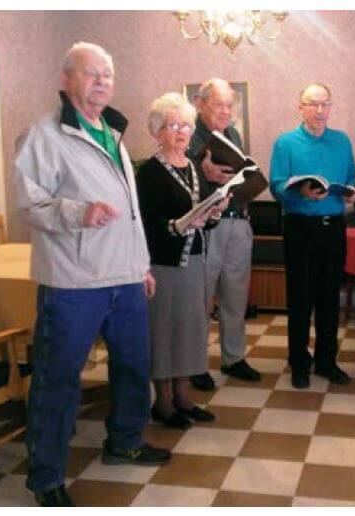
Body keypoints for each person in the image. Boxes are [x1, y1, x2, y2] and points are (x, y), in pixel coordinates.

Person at [14, 42, 170, 507]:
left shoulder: (112, 132)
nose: (101, 81)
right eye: (90, 73)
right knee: (58, 379)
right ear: (66, 80)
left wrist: (140, 264)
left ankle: (124, 440)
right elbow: (29, 203)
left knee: (133, 367)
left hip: (124, 277)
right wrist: (78, 213)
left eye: (108, 74)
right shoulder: (42, 134)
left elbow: (134, 213)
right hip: (72, 281)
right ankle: (45, 476)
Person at [137, 93, 225, 429]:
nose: (181, 132)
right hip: (164, 265)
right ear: (157, 132)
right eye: (172, 126)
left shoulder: (192, 167)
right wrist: (177, 225)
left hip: (196, 263)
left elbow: (201, 213)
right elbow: (146, 222)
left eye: (185, 126)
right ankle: (164, 402)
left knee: (191, 330)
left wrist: (213, 212)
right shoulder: (149, 172)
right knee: (164, 332)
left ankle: (185, 397)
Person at [269, 83, 355, 389]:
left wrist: (350, 193)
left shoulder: (342, 141)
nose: (320, 110)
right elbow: (277, 186)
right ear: (301, 107)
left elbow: (351, 176)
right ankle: (299, 362)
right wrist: (302, 191)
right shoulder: (286, 143)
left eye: (325, 104)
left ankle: (326, 361)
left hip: (333, 227)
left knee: (329, 298)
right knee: (300, 298)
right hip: (300, 228)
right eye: (313, 104)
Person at [186, 78, 261, 390]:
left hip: (238, 219)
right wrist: (205, 175)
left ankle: (233, 357)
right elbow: (181, 180)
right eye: (219, 104)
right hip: (208, 224)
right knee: (202, 296)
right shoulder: (188, 135)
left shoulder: (232, 134)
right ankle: (194, 363)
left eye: (230, 105)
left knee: (235, 294)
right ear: (200, 104)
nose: (226, 111)